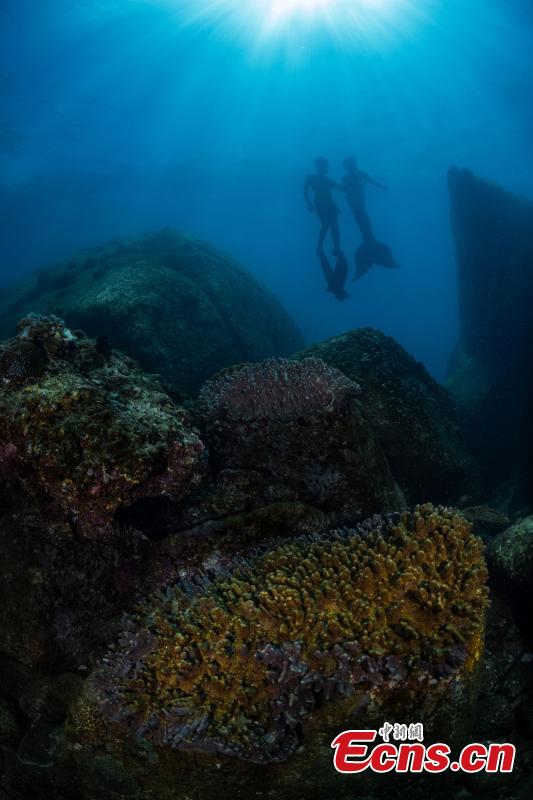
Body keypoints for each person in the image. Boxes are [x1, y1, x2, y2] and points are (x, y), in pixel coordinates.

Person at [342, 156, 401, 280]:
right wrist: (358, 187)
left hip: (357, 203)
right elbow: (346, 189)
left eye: (350, 164)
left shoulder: (356, 175)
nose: (349, 167)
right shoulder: (347, 178)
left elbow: (371, 181)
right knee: (363, 221)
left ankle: (369, 247)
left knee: (364, 221)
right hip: (354, 204)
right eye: (347, 165)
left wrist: (381, 187)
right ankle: (371, 247)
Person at [303, 157, 343, 256]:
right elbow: (304, 191)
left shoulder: (327, 179)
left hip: (330, 205)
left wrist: (353, 187)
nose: (327, 169)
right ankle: (319, 247)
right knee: (325, 225)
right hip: (320, 205)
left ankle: (336, 248)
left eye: (326, 167)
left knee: (335, 227)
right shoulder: (311, 177)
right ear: (319, 167)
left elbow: (339, 187)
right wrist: (309, 204)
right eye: (325, 167)